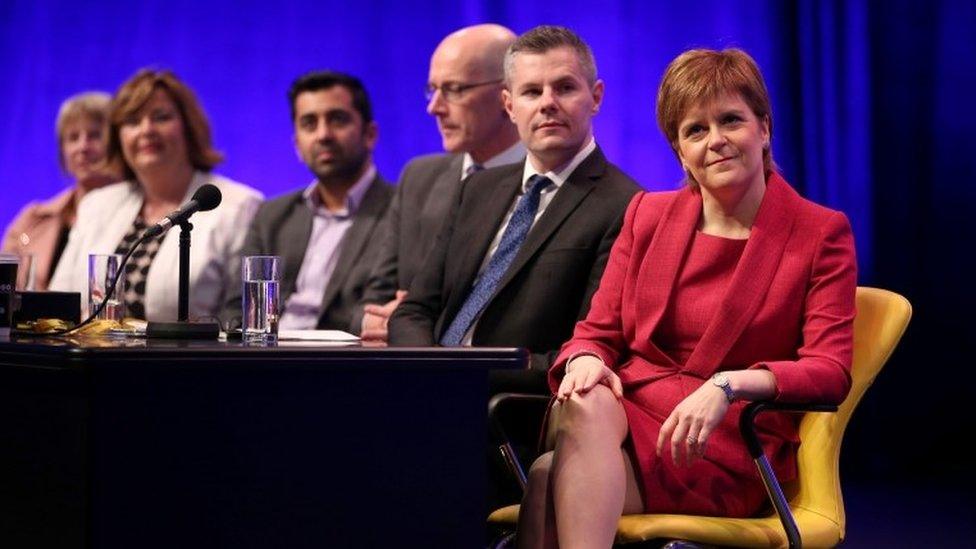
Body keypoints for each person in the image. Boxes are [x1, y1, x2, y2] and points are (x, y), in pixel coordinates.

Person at [516, 48, 857, 548]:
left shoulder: (819, 232)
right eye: (695, 130)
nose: (716, 140)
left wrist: (728, 385)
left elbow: (830, 370)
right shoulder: (647, 215)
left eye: (731, 121)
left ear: (764, 128)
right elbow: (597, 332)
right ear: (679, 151)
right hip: (626, 419)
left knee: (547, 477)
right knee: (585, 397)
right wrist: (584, 358)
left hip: (726, 442)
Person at [389, 25, 640, 394]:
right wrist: (430, 369)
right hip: (426, 386)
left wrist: (462, 376)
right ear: (509, 105)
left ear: (596, 97)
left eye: (565, 87)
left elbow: (585, 350)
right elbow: (414, 310)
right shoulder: (476, 188)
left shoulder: (626, 205)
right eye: (532, 91)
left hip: (508, 407)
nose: (547, 103)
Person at [355, 24, 524, 342]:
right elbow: (372, 298)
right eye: (433, 89)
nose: (434, 107)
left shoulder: (542, 188)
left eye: (455, 89)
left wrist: (418, 321)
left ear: (507, 96)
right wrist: (381, 318)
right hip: (405, 367)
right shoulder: (418, 178)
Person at [49, 69, 262, 321]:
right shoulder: (97, 204)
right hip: (91, 356)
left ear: (188, 127)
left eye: (161, 117)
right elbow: (59, 302)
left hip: (186, 359)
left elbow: (239, 318)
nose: (146, 130)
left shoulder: (240, 206)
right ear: (118, 138)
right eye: (132, 121)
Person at [222, 71, 392, 331]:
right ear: (297, 145)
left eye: (337, 120)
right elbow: (236, 307)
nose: (323, 134)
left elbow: (380, 310)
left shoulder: (401, 212)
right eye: (309, 123)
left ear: (370, 134)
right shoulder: (273, 216)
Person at [2, 92, 119, 290]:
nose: (82, 147)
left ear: (118, 146)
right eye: (73, 138)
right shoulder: (32, 219)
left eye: (95, 135)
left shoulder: (137, 215)